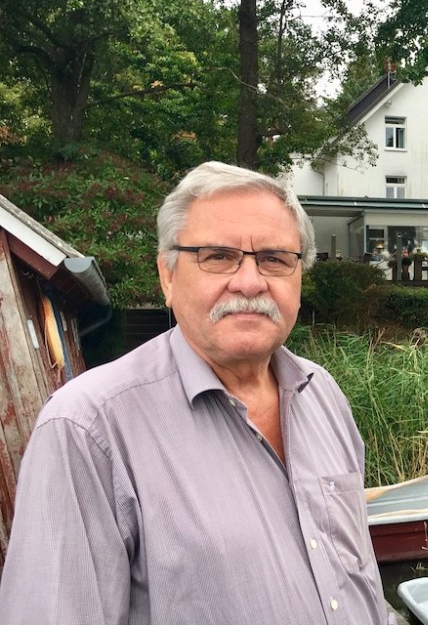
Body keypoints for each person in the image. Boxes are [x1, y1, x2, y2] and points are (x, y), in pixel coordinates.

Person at [0, 161, 395, 625]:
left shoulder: (323, 395)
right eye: (217, 256)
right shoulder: (87, 430)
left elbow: (355, 581)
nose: (250, 282)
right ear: (168, 276)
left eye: (274, 258)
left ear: (298, 275)